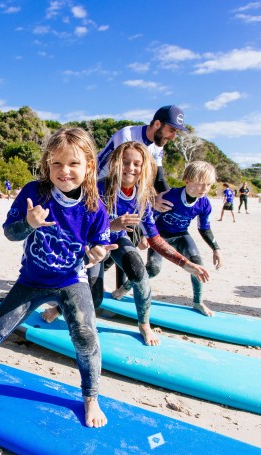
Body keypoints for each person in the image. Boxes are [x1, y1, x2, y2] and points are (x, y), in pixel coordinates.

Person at [0, 127, 114, 428]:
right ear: (47, 165)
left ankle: (91, 396)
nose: (64, 171)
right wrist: (28, 223)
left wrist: (98, 254)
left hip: (70, 281)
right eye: (57, 164)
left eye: (74, 164)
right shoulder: (33, 193)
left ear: (89, 165)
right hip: (31, 280)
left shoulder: (94, 205)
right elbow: (10, 233)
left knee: (85, 335)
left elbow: (98, 246)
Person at [86, 142, 209, 346]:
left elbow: (155, 238)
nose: (131, 168)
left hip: (117, 241)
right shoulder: (98, 188)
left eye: (137, 164)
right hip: (92, 246)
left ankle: (144, 325)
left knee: (141, 275)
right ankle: (60, 306)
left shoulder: (142, 197)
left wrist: (185, 263)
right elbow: (79, 226)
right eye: (125, 162)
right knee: (95, 298)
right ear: (115, 162)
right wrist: (112, 225)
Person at [95, 105, 188, 290]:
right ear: (157, 123)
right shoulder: (128, 135)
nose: (173, 136)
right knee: (101, 240)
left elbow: (159, 178)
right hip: (101, 191)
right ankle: (87, 284)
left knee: (123, 239)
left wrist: (173, 202)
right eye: (171, 130)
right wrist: (150, 199)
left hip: (123, 197)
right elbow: (123, 171)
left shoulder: (156, 147)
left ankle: (114, 286)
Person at [143, 161, 222, 316]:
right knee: (153, 270)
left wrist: (216, 249)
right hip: (159, 235)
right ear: (187, 179)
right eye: (200, 184)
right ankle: (125, 288)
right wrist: (144, 236)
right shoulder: (171, 195)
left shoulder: (204, 203)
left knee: (197, 265)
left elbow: (204, 228)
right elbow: (151, 217)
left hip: (181, 235)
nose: (204, 189)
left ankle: (198, 302)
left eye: (208, 185)